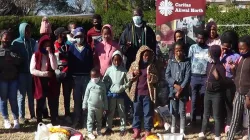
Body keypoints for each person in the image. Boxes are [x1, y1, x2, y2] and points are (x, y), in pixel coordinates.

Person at [128, 46, 158, 140]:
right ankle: (136, 130)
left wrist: (152, 78)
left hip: (147, 94)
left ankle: (147, 131)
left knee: (148, 113)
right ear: (140, 55)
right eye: (145, 55)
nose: (147, 57)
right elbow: (127, 76)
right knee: (136, 112)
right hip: (137, 93)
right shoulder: (134, 65)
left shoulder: (151, 66)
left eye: (148, 56)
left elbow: (157, 78)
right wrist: (133, 74)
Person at [198, 45, 226, 140]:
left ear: (213, 53)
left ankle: (217, 135)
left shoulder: (221, 66)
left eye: (210, 52)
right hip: (208, 93)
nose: (208, 54)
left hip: (217, 94)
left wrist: (217, 77)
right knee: (206, 113)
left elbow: (223, 83)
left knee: (216, 115)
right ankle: (203, 131)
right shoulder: (209, 64)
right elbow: (207, 75)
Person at [68, 27, 93, 128]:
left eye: (81, 36)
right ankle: (77, 120)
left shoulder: (88, 48)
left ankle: (87, 121)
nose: (79, 38)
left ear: (84, 37)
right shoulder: (72, 48)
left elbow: (91, 63)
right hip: (75, 78)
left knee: (86, 100)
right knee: (77, 100)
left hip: (86, 77)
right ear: (74, 37)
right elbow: (69, 63)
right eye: (77, 36)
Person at [30, 35, 59, 124]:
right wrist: (44, 74)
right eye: (45, 44)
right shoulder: (36, 55)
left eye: (49, 44)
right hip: (40, 81)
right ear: (41, 45)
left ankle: (54, 120)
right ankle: (39, 121)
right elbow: (32, 70)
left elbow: (54, 67)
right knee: (40, 101)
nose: (47, 46)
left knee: (52, 101)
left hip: (50, 81)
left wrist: (50, 54)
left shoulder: (52, 55)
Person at [12, 22, 36, 124]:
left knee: (31, 94)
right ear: (21, 31)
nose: (28, 32)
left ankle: (33, 115)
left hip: (31, 72)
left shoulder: (33, 42)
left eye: (29, 30)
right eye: (26, 30)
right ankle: (21, 116)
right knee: (21, 95)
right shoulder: (16, 43)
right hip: (21, 73)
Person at [103, 50, 132, 136]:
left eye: (118, 60)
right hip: (111, 95)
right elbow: (104, 81)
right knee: (110, 112)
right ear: (112, 60)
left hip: (121, 95)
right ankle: (109, 128)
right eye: (114, 60)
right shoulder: (109, 70)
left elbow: (128, 82)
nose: (116, 62)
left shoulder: (123, 70)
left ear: (121, 60)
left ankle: (122, 128)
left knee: (121, 112)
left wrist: (123, 87)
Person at [227, 35, 250, 140]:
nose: (240, 51)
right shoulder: (241, 58)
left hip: (248, 95)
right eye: (239, 49)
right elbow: (238, 75)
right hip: (238, 93)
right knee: (234, 119)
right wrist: (233, 68)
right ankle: (230, 138)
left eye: (243, 48)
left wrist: (249, 96)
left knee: (249, 121)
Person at [165, 41, 191, 134]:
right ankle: (172, 130)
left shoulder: (187, 62)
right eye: (177, 51)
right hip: (173, 90)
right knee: (174, 111)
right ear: (174, 51)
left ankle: (182, 131)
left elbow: (187, 77)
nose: (178, 53)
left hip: (183, 91)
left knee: (182, 111)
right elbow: (167, 75)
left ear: (183, 51)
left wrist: (181, 88)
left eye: (180, 51)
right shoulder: (171, 62)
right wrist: (175, 85)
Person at [0, 30, 22, 129]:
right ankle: (6, 120)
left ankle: (16, 120)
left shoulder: (15, 49)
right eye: (5, 38)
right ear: (1, 39)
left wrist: (13, 58)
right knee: (3, 100)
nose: (7, 40)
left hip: (13, 78)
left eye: (9, 38)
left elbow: (20, 62)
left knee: (13, 100)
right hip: (2, 79)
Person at [220, 30, 240, 134]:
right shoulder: (222, 55)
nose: (225, 49)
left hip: (232, 82)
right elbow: (216, 66)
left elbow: (237, 72)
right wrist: (221, 54)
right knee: (223, 104)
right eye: (224, 46)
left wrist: (233, 68)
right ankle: (225, 123)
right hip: (222, 82)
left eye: (227, 47)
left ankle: (230, 124)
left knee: (231, 105)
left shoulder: (236, 55)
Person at [188, 30, 209, 125]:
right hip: (194, 76)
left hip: (205, 77)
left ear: (205, 39)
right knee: (194, 99)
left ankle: (203, 121)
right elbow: (189, 62)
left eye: (202, 38)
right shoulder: (192, 48)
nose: (200, 40)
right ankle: (193, 120)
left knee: (204, 99)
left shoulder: (209, 49)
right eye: (198, 38)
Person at [54, 27, 73, 124]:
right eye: (64, 34)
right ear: (59, 35)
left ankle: (67, 114)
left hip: (67, 74)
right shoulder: (53, 45)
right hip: (56, 74)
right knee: (56, 95)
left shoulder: (68, 45)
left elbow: (70, 58)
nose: (65, 36)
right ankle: (56, 115)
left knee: (66, 95)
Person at [82, 69, 108, 139]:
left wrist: (106, 107)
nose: (94, 79)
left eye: (95, 77)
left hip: (99, 107)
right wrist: (84, 105)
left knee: (99, 120)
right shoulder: (89, 84)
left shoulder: (102, 85)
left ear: (99, 76)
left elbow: (105, 97)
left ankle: (98, 131)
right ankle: (90, 132)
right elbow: (86, 95)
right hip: (90, 106)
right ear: (90, 77)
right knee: (90, 120)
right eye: (92, 77)